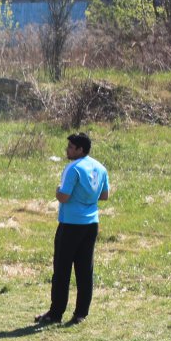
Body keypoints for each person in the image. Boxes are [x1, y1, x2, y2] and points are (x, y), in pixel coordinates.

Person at [35, 133, 109, 326]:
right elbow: (104, 195)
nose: (67, 149)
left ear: (80, 150)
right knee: (85, 270)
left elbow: (64, 197)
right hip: (91, 224)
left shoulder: (73, 168)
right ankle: (80, 314)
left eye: (70, 147)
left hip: (70, 224)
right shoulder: (100, 167)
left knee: (62, 270)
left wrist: (57, 190)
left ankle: (55, 313)